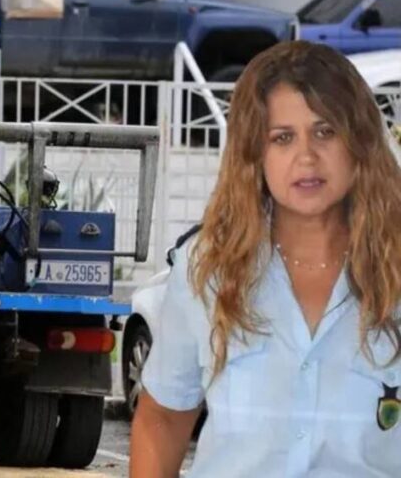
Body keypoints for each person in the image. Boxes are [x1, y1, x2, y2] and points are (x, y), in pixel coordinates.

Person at [130, 41, 401, 477]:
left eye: (325, 131)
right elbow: (162, 420)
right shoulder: (207, 271)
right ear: (255, 155)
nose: (306, 156)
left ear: (360, 144)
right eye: (282, 137)